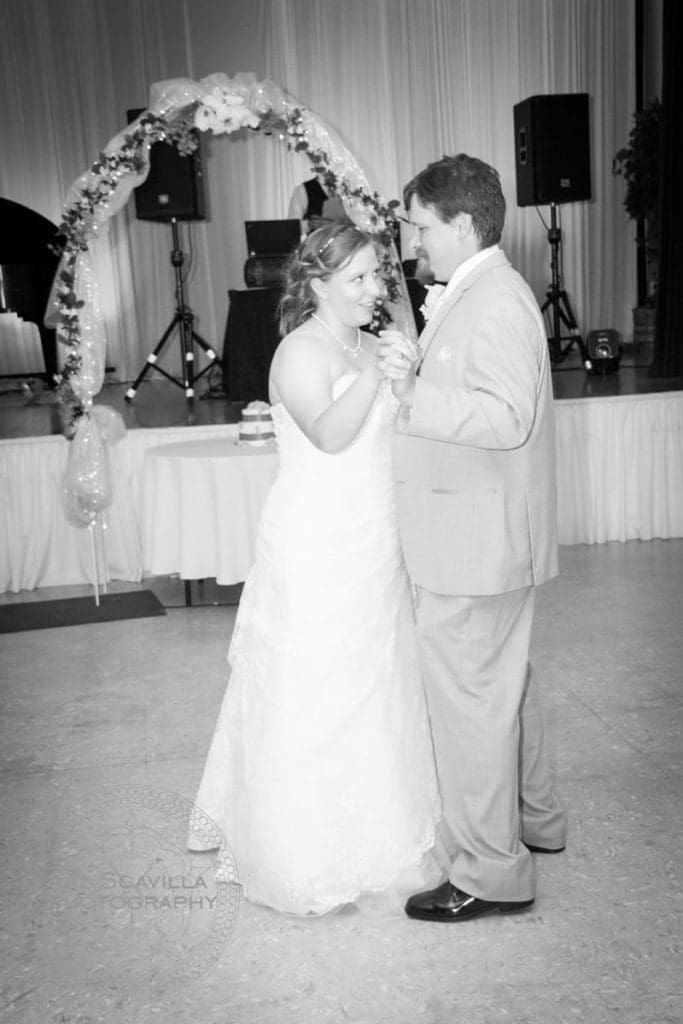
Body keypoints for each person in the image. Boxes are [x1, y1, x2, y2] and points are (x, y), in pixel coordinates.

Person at [189, 221, 441, 916]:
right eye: (357, 278)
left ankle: (383, 821)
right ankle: (300, 848)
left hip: (376, 535)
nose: (373, 289)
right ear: (318, 284)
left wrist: (406, 377)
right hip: (317, 540)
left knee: (377, 676)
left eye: (376, 275)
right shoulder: (298, 351)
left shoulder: (366, 342)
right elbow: (330, 435)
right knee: (316, 679)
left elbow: (398, 425)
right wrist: (378, 372)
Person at [379, 154, 567, 923]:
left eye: (420, 226)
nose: (412, 242)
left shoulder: (492, 302)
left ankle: (488, 873)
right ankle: (534, 820)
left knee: (470, 709)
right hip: (480, 536)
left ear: (460, 224)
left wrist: (411, 393)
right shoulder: (480, 291)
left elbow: (505, 416)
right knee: (502, 689)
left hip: (473, 545)